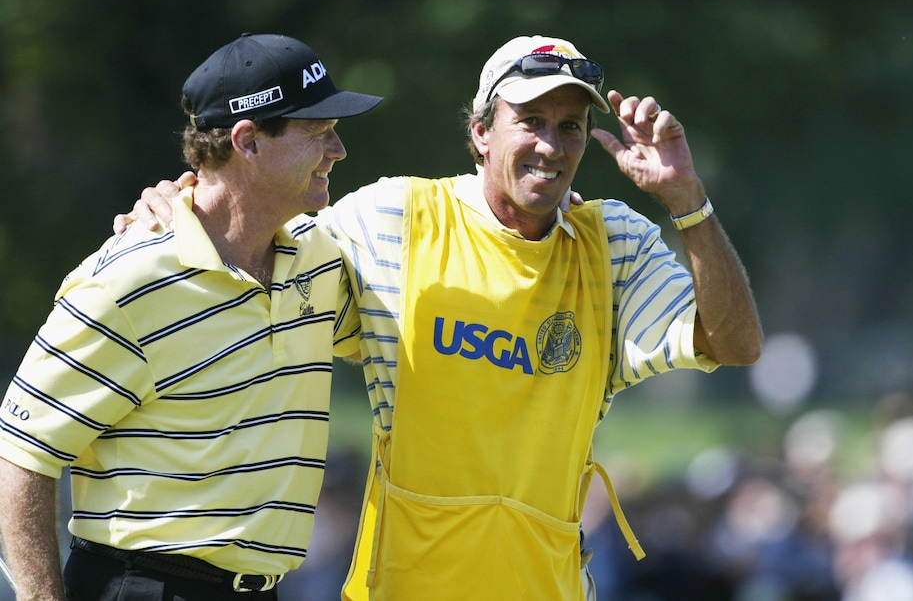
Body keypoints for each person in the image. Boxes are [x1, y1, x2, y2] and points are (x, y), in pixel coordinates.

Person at [120, 35, 763, 600]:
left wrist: (687, 200)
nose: (551, 144)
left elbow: (735, 344)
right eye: (530, 120)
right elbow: (258, 242)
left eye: (570, 127)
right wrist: (178, 204)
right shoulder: (396, 216)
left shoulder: (613, 243)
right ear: (481, 132)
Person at [0, 32, 382, 601]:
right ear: (248, 141)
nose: (338, 150)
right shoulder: (125, 280)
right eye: (318, 133)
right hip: (142, 588)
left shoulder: (319, 262)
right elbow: (21, 457)